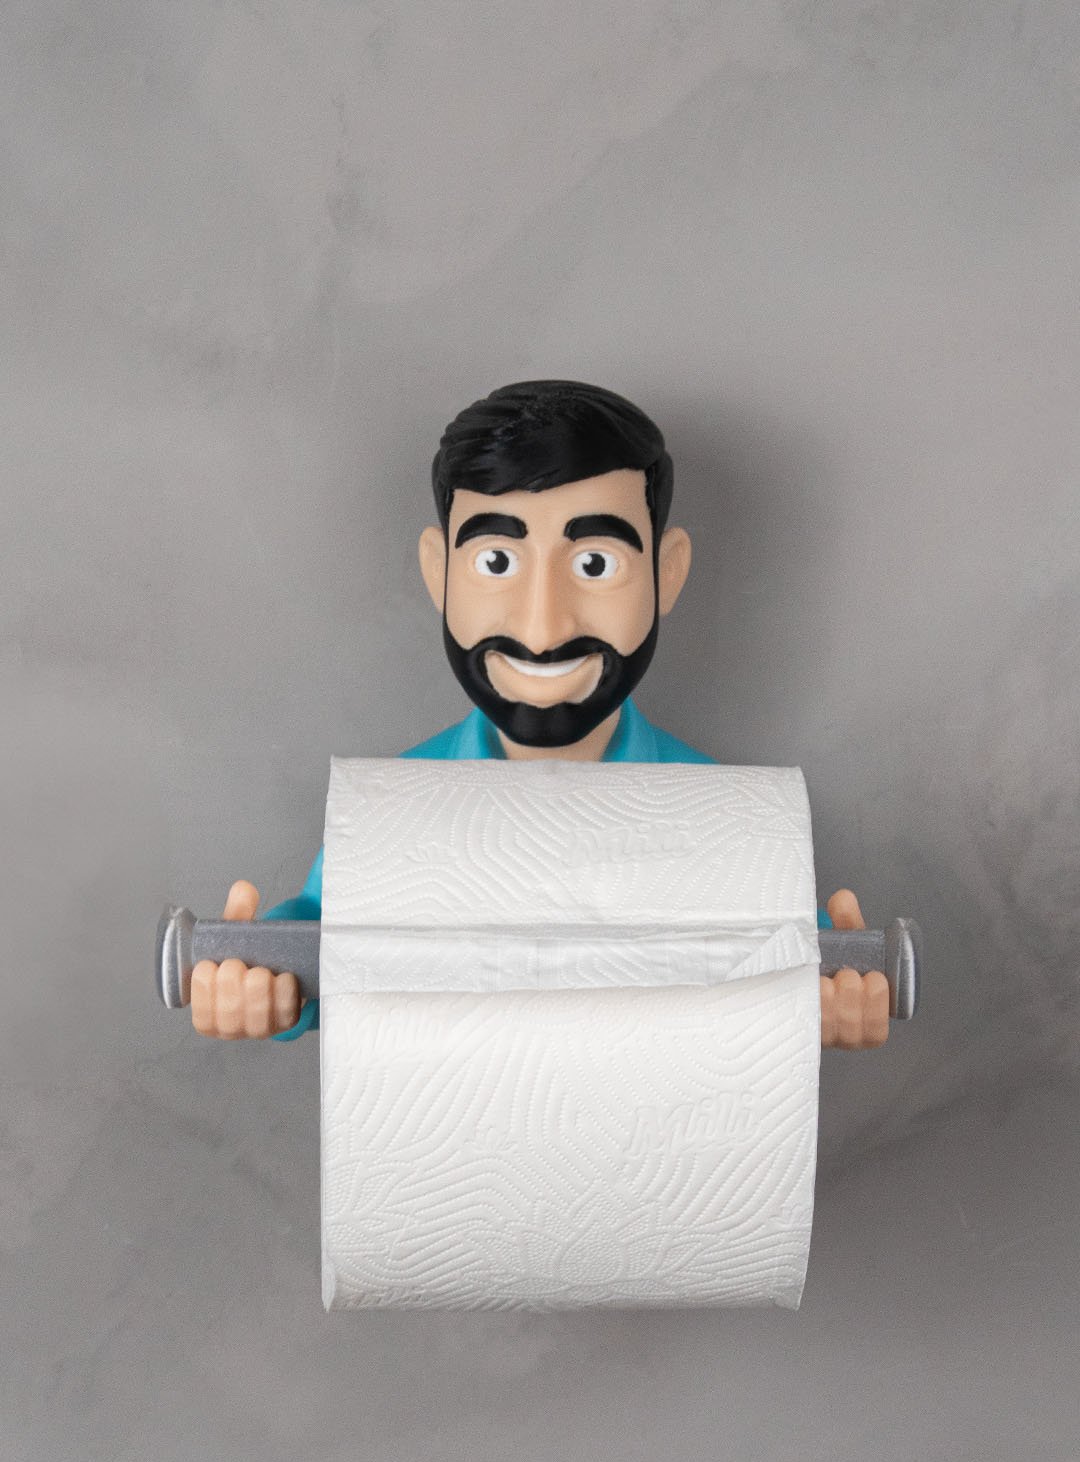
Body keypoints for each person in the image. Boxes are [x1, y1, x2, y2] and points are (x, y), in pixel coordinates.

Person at [191, 380, 889, 1049]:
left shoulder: (729, 825)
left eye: (595, 565)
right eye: (497, 562)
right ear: (438, 573)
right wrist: (265, 975)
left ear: (666, 573)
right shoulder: (389, 819)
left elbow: (787, 952)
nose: (543, 627)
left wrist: (833, 990)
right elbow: (328, 934)